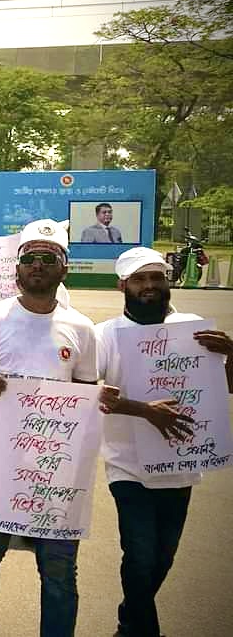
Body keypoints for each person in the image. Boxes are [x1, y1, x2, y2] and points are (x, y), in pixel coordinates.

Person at [0, 219, 99, 637]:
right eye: (29, 258)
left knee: (59, 568)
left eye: (47, 259)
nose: (37, 265)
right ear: (17, 268)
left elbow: (86, 396)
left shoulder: (82, 329)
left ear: (63, 269)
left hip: (57, 471)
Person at [94, 247, 233, 637]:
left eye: (156, 277)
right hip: (128, 465)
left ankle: (132, 618)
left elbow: (226, 387)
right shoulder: (106, 335)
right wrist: (144, 411)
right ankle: (138, 629)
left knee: (163, 558)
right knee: (139, 554)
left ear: (167, 281)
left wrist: (232, 355)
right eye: (139, 279)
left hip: (181, 462)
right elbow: (90, 395)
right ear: (123, 285)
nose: (149, 286)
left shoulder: (193, 328)